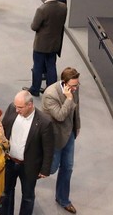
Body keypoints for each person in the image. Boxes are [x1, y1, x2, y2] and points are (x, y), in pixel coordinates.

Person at [0, 90, 54, 215]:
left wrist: (45, 169)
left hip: (28, 166)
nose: (16, 110)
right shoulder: (12, 108)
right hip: (9, 162)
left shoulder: (44, 122)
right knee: (6, 192)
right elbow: (4, 127)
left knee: (28, 197)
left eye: (20, 107)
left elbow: (48, 148)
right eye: (15, 106)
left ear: (30, 105)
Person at [42, 67, 81, 214]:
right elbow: (59, 116)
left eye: (77, 85)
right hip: (55, 136)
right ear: (64, 83)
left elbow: (76, 109)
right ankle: (29, 175)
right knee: (51, 168)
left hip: (69, 133)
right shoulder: (50, 94)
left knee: (68, 167)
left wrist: (77, 126)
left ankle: (63, 199)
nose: (75, 88)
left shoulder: (74, 88)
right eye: (72, 86)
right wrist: (69, 99)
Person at [27, 0, 68, 97]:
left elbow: (34, 26)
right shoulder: (63, 7)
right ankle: (51, 91)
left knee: (38, 67)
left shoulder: (42, 9)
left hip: (41, 44)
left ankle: (35, 89)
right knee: (51, 66)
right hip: (55, 43)